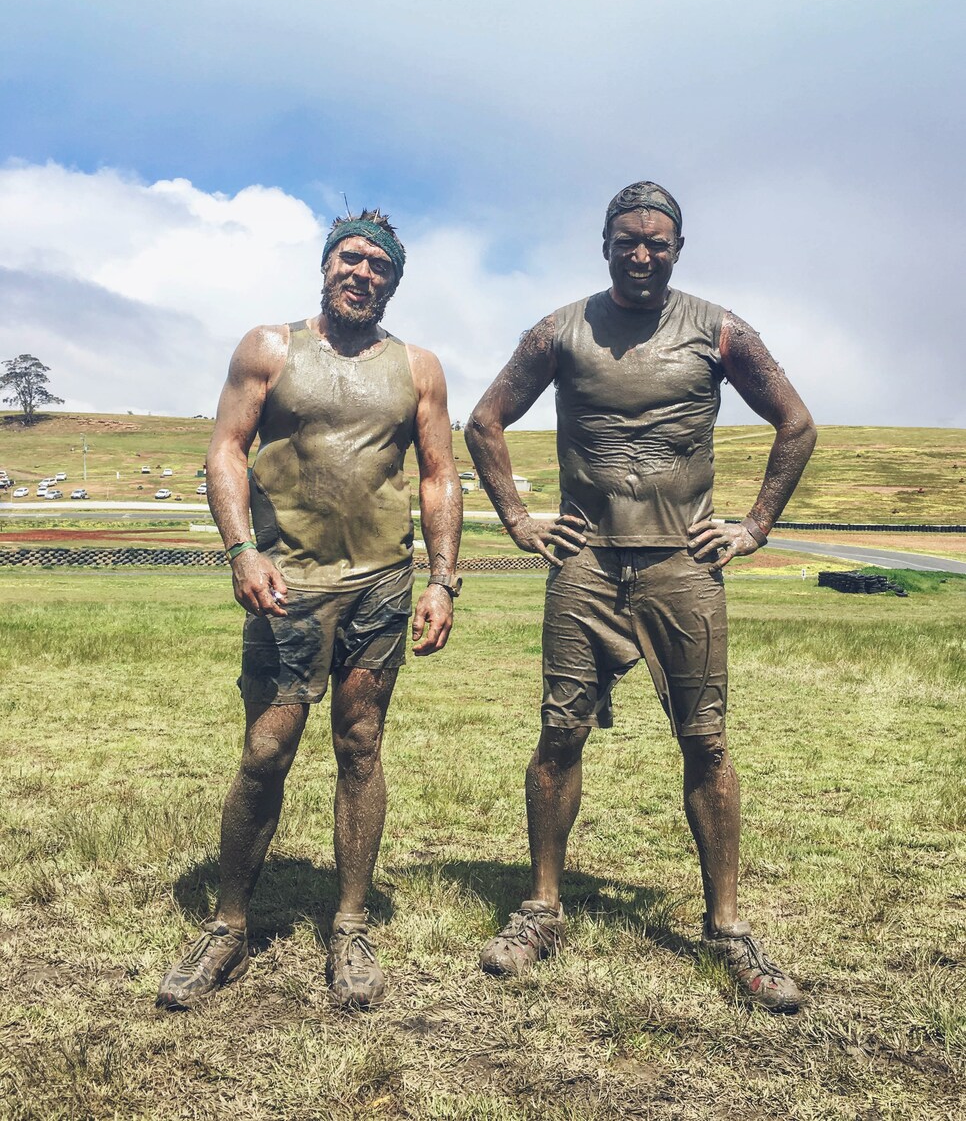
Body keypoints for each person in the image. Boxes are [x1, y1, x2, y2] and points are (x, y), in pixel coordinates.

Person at [465, 181, 816, 1012]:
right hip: (586, 567)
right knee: (559, 732)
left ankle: (727, 928)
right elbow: (485, 421)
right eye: (628, 239)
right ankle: (542, 907)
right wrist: (518, 519)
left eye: (657, 241)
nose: (642, 253)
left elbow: (796, 423)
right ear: (605, 243)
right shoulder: (560, 331)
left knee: (707, 741)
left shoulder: (720, 331)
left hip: (682, 568)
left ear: (677, 249)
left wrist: (754, 527)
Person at [157, 210, 463, 1012]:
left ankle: (350, 924)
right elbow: (225, 448)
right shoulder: (270, 348)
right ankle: (228, 924)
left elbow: (439, 474)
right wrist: (240, 550)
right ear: (326, 266)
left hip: (380, 585)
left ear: (393, 282)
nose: (361, 274)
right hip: (287, 584)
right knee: (267, 751)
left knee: (361, 744)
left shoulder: (418, 368)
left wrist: (443, 579)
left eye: (378, 267)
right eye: (349, 259)